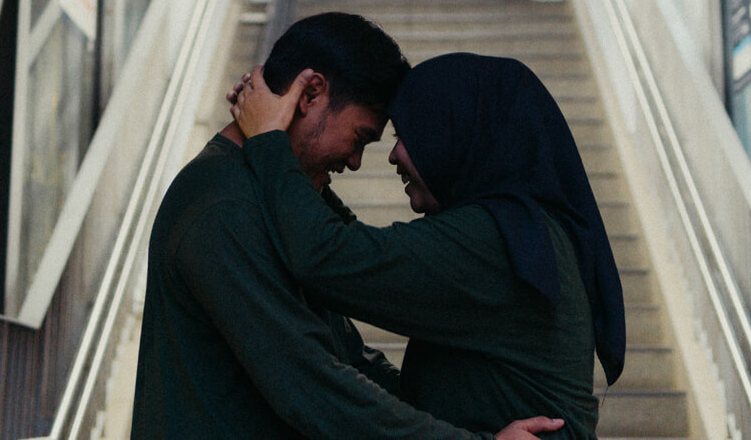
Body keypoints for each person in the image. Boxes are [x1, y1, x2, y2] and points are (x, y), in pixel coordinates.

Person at [131, 13, 564, 440]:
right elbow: (313, 387)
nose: (355, 162)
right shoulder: (223, 206)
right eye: (359, 138)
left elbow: (346, 359)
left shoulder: (261, 195)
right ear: (311, 94)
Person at [230, 52, 626, 440]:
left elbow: (329, 256)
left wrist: (270, 140)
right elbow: (353, 248)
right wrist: (306, 171)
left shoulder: (493, 240)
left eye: (406, 136)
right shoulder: (521, 231)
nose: (392, 156)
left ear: (454, 134)